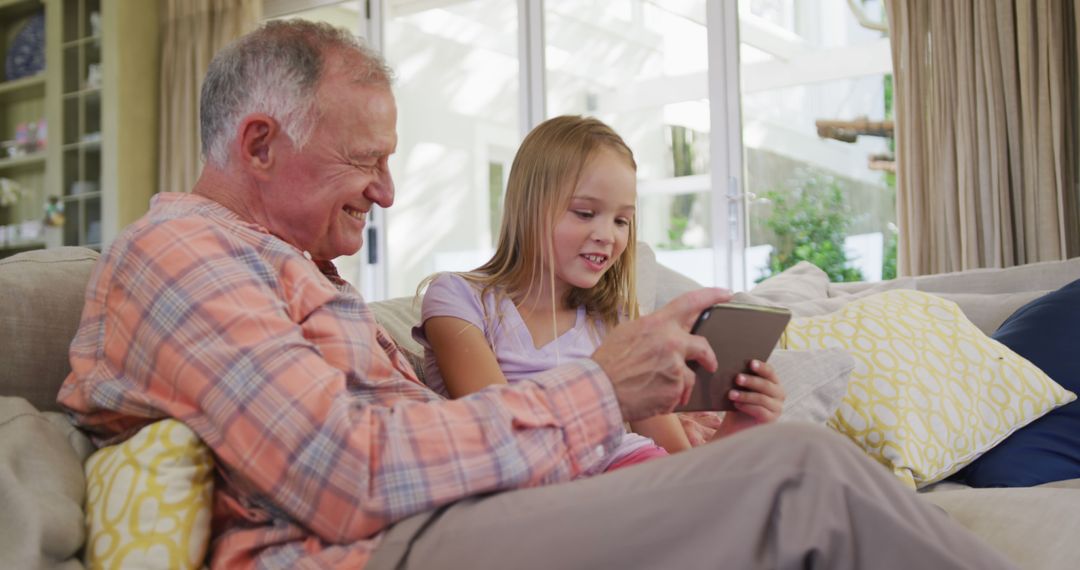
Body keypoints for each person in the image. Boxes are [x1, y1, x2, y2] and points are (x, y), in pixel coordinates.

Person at [57, 19, 1018, 570]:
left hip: (443, 517)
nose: (387, 193)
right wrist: (601, 389)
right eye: (366, 161)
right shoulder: (180, 254)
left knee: (789, 467)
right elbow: (345, 472)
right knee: (802, 481)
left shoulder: (301, 271)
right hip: (377, 545)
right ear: (260, 143)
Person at [413, 115, 784, 472]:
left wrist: (737, 424)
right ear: (530, 206)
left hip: (637, 470)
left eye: (622, 220)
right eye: (585, 213)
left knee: (788, 463)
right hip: (555, 492)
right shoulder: (459, 299)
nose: (608, 235)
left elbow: (683, 466)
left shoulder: (614, 322)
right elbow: (498, 434)